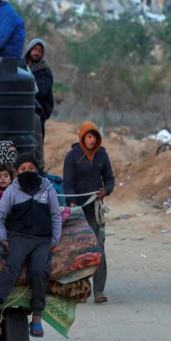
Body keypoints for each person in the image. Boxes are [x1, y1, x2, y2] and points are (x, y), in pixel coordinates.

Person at [0, 154, 62, 338]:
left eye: (31, 168)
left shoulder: (48, 188)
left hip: (42, 240)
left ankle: (36, 317)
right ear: (16, 171)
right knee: (12, 264)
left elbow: (56, 215)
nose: (27, 171)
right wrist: (3, 238)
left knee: (39, 271)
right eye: (23, 169)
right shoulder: (12, 191)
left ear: (37, 170)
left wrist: (54, 240)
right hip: (19, 237)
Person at [62, 122, 115, 304]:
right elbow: (68, 184)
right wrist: (72, 203)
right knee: (79, 250)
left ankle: (99, 290)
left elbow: (109, 179)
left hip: (95, 209)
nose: (92, 140)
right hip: (78, 210)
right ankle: (81, 290)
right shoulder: (72, 156)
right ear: (82, 137)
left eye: (94, 137)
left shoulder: (102, 155)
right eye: (89, 136)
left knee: (98, 247)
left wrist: (106, 190)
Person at [24, 38, 55, 138]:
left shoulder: (44, 71)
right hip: (20, 111)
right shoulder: (20, 67)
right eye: (35, 49)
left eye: (40, 51)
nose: (37, 53)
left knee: (36, 143)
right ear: (29, 49)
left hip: (37, 112)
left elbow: (41, 90)